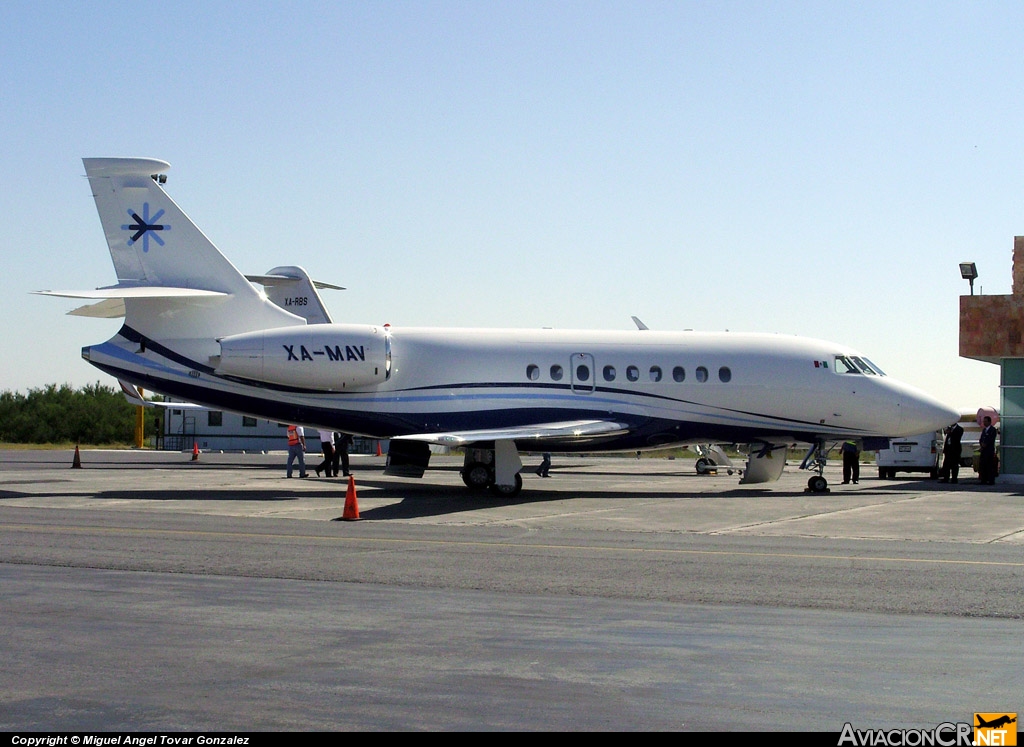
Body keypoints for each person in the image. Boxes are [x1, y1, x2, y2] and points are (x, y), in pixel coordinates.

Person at [978, 416, 998, 485]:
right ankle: (983, 479)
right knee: (983, 466)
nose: (984, 423)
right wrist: (981, 444)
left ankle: (991, 480)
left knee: (990, 466)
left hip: (989, 451)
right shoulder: (984, 430)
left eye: (985, 421)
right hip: (983, 451)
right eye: (984, 421)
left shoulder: (993, 430)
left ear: (989, 422)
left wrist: (985, 444)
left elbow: (991, 439)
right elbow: (981, 439)